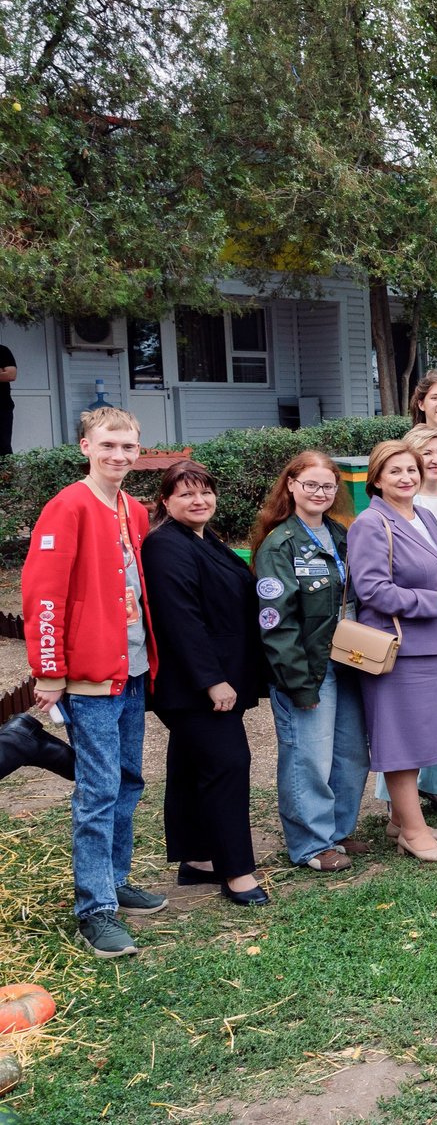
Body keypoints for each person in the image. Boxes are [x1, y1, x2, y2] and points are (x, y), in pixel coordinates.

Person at [25, 407, 165, 955]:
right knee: (99, 789)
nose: (118, 456)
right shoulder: (67, 507)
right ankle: (96, 909)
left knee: (129, 780)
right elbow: (43, 594)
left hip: (129, 668)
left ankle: (115, 876)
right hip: (86, 675)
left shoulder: (133, 509)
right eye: (108, 445)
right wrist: (50, 671)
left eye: (128, 447)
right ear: (85, 446)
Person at [140, 461, 270, 905]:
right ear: (165, 501)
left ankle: (196, 858)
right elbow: (181, 621)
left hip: (214, 676)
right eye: (186, 494)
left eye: (205, 492)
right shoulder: (164, 546)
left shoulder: (202, 537)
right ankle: (236, 872)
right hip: (192, 685)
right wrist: (213, 681)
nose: (199, 501)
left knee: (190, 765)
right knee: (228, 765)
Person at [251, 451, 369, 874]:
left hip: (349, 661)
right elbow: (275, 622)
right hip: (307, 668)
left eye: (327, 486)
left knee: (352, 754)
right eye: (311, 485)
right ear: (291, 486)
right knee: (309, 757)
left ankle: (335, 831)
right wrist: (296, 681)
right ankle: (309, 844)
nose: (320, 493)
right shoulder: (279, 544)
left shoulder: (340, 534)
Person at [348, 440, 437, 862]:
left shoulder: (426, 517)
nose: (406, 477)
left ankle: (402, 818)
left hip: (433, 645)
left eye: (411, 470)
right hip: (399, 649)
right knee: (402, 741)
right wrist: (435, 603)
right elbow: (372, 590)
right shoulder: (370, 523)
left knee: (420, 737)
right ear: (376, 479)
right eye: (395, 471)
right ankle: (413, 833)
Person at [373, 423, 437, 811]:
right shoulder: (380, 518)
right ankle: (399, 805)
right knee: (404, 725)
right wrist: (434, 602)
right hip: (407, 632)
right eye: (424, 454)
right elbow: (376, 588)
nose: (433, 460)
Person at [0, 343, 15, 455]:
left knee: (3, 447)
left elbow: (10, 375)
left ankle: (6, 473)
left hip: (2, 407)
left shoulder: (2, 351)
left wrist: (4, 374)